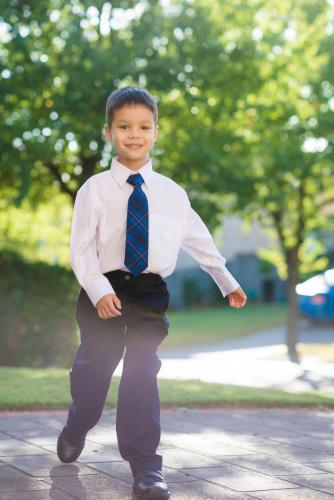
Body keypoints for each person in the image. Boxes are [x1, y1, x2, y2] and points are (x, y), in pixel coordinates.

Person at [57, 86, 247, 499]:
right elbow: (81, 249)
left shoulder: (171, 193)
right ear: (109, 132)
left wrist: (225, 279)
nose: (134, 134)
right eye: (124, 126)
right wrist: (97, 288)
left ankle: (146, 466)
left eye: (144, 126)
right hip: (102, 288)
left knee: (143, 370)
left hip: (149, 293)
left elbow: (198, 238)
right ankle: (78, 422)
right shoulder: (94, 190)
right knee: (94, 373)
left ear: (156, 132)